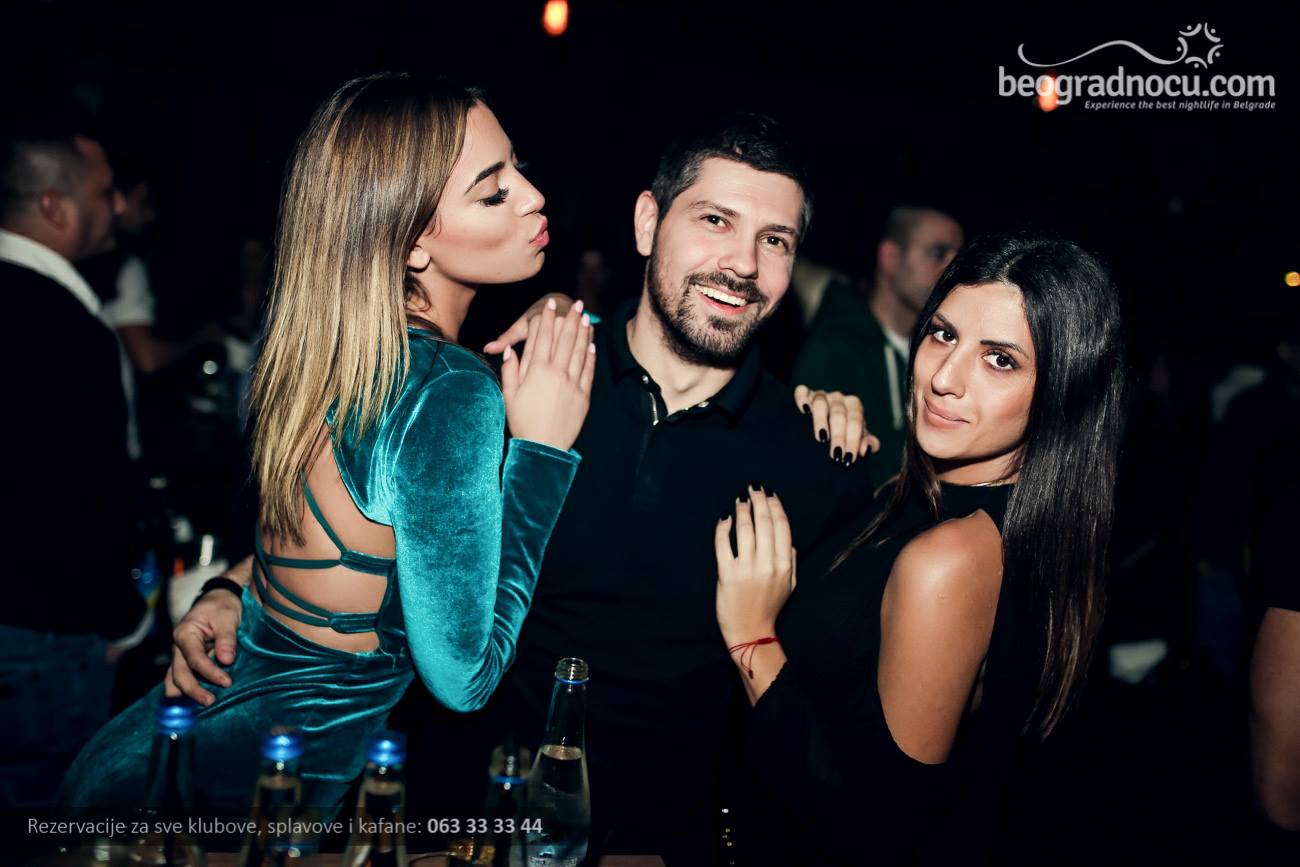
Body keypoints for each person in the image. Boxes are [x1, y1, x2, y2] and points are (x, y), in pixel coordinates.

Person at [168, 110, 880, 864]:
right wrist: (233, 588)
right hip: (453, 826)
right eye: (715, 220)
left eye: (775, 240)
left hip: (654, 846)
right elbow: (367, 528)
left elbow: (825, 741)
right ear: (648, 222)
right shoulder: (513, 380)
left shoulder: (817, 461)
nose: (742, 263)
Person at [58, 73, 593, 820]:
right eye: (493, 192)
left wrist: (226, 589)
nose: (533, 197)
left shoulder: (325, 353)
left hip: (154, 756)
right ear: (412, 243)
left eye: (519, 168)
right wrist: (542, 451)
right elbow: (463, 679)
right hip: (248, 799)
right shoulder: (447, 392)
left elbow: (322, 551)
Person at [716, 233, 1126, 865]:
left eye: (1000, 360)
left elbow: (875, 824)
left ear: (1063, 392)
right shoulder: (981, 512)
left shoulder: (950, 557)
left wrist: (753, 634)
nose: (943, 378)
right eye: (942, 334)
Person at [0, 121, 141, 810]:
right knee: (44, 831)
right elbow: (77, 502)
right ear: (55, 207)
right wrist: (122, 616)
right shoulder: (64, 328)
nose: (118, 206)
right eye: (104, 192)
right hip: (38, 637)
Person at [793, 206, 964, 487]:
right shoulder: (834, 349)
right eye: (938, 253)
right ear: (891, 258)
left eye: (957, 258)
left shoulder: (945, 353)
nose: (952, 269)